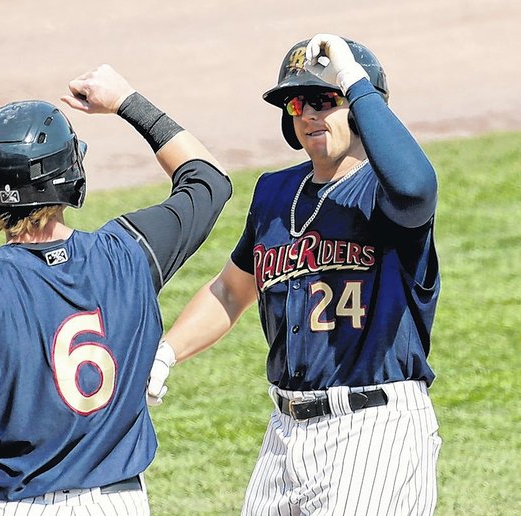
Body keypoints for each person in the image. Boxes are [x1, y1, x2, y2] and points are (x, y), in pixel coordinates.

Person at [0, 64, 231, 515]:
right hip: (121, 504)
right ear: (70, 174)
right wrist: (125, 101)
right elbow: (208, 181)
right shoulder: (128, 255)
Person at [147, 34, 442, 515]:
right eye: (297, 102)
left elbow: (413, 186)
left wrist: (354, 80)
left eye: (326, 100)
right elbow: (230, 289)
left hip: (374, 430)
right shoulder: (274, 194)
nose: (308, 113)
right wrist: (167, 353)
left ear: (364, 106)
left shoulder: (388, 195)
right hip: (286, 433)